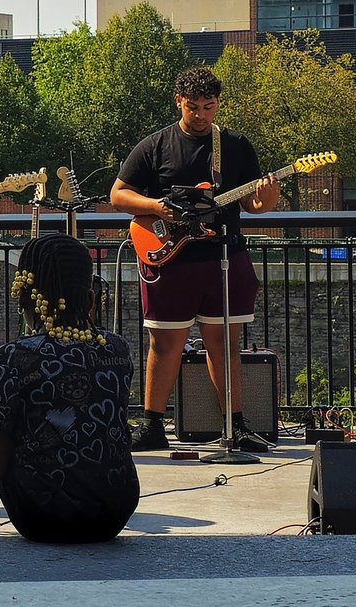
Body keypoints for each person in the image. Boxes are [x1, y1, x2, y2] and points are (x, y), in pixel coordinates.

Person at [109, 66, 279, 453]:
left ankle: (235, 425)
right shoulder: (155, 145)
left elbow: (254, 204)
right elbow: (119, 194)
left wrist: (268, 197)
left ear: (218, 105)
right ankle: (152, 425)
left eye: (208, 106)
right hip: (171, 261)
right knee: (164, 343)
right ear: (178, 103)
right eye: (193, 107)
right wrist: (156, 206)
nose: (201, 115)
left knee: (225, 346)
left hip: (224, 254)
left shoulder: (234, 146)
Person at [0, 233, 139, 542]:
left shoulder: (12, 358)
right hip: (114, 512)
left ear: (25, 297)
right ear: (91, 297)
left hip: (43, 517)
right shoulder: (117, 349)